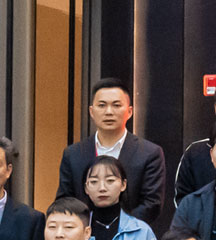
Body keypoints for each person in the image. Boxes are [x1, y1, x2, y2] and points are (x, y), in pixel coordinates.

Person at [57, 79, 168, 224]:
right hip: (85, 233)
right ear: (91, 111)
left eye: (116, 105)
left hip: (132, 233)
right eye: (102, 105)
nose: (109, 112)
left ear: (129, 111)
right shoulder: (73, 154)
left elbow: (152, 203)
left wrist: (120, 228)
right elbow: (65, 201)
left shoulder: (149, 153)